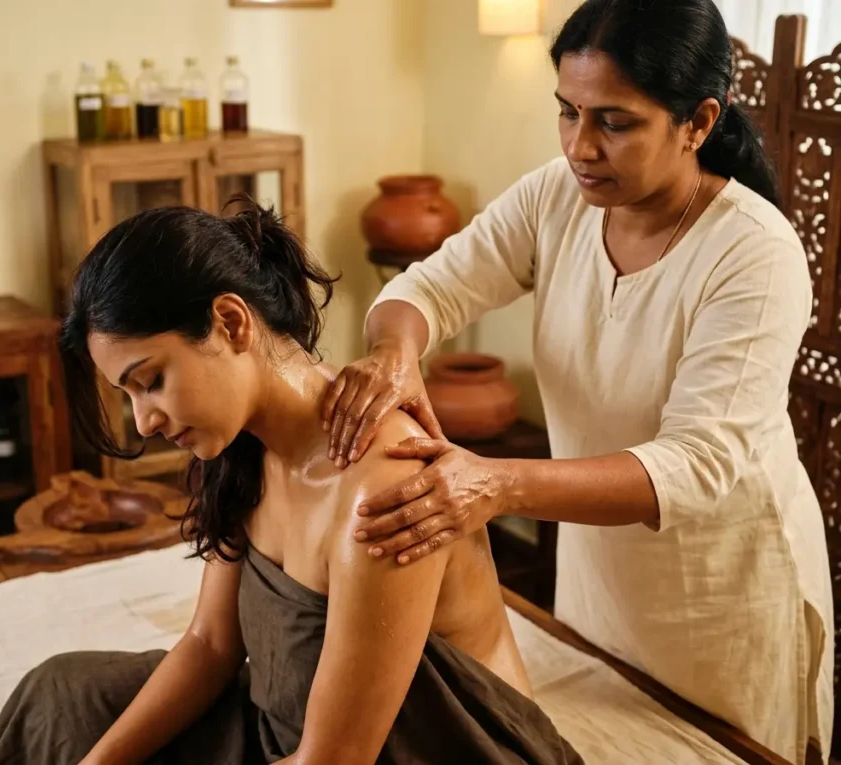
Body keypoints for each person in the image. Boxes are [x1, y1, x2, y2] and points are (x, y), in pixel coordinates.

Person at [322, 0, 833, 762]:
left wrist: (496, 483)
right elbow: (426, 289)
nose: (580, 146)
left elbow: (694, 465)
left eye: (614, 122)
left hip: (723, 604)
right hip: (598, 584)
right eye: (567, 113)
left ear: (697, 122)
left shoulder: (754, 254)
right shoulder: (555, 198)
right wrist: (395, 353)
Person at [0, 200, 583, 765]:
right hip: (287, 732)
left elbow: (331, 762)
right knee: (61, 699)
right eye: (128, 395)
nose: (145, 422)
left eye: (150, 381)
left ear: (231, 322)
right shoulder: (240, 448)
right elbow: (210, 645)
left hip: (424, 753)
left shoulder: (384, 484)